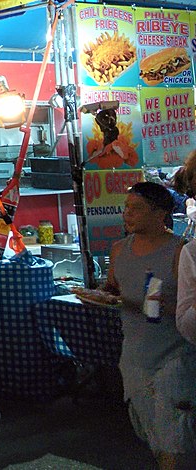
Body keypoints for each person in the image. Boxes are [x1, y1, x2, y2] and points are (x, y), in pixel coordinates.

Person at [103, 181, 196, 469]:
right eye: (126, 208)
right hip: (133, 356)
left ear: (160, 214)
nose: (127, 214)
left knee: (175, 439)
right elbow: (111, 289)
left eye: (136, 209)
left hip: (174, 357)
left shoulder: (182, 252)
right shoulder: (119, 250)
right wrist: (100, 297)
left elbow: (187, 308)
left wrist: (154, 305)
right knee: (151, 435)